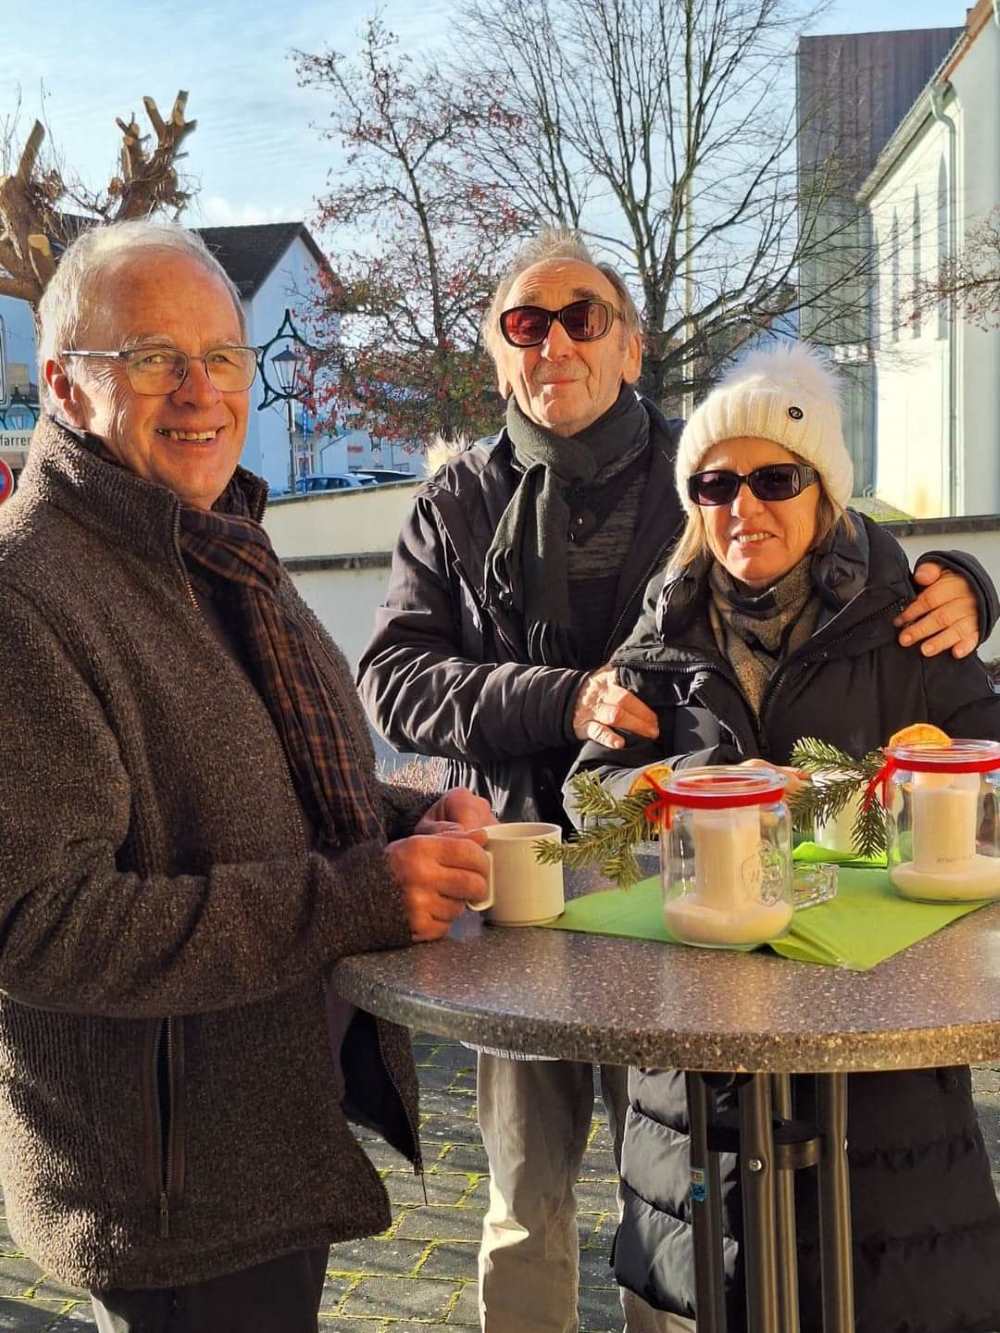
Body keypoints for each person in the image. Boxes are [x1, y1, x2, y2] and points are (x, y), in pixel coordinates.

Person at [356, 228, 995, 1333]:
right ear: (499, 351)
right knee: (523, 1196)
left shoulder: (700, 461)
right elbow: (394, 679)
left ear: (630, 345)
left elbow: (844, 554)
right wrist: (562, 700)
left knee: (679, 1196)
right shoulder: (455, 502)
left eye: (579, 317)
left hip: (695, 916)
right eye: (524, 322)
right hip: (523, 903)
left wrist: (968, 584)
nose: (552, 340)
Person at [0, 219, 494, 1333]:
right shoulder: (28, 594)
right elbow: (41, 926)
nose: (200, 391)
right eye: (151, 358)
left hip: (263, 1134)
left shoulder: (213, 543)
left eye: (222, 355)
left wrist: (412, 822)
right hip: (170, 1187)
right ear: (66, 388)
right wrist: (364, 893)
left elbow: (264, 783)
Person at [568, 340, 1000, 1333]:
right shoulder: (660, 639)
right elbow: (589, 807)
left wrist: (886, 810)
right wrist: (681, 793)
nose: (742, 506)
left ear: (825, 494)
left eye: (773, 478)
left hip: (878, 1070)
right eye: (716, 483)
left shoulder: (908, 625)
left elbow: (986, 774)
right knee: (720, 1300)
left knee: (872, 1300)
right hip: (700, 1066)